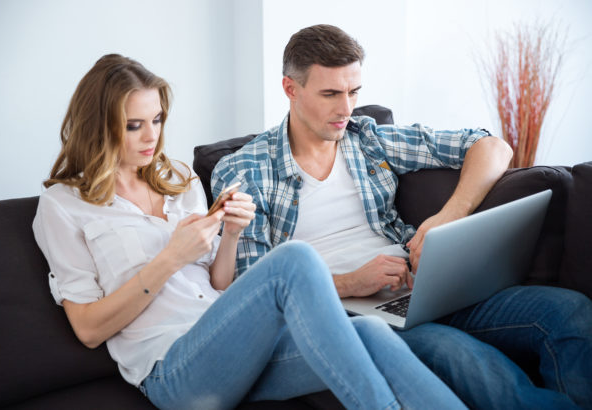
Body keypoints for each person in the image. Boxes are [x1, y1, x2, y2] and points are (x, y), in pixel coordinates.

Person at [32, 53, 466, 410]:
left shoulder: (178, 180)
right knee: (295, 259)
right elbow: (88, 330)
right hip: (174, 371)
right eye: (134, 125)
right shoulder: (64, 205)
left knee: (372, 333)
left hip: (234, 345)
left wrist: (233, 234)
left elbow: (218, 284)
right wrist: (170, 258)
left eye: (158, 119)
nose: (152, 137)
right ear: (98, 124)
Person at [212, 24, 592, 409]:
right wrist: (350, 283)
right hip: (344, 313)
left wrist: (448, 216)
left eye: (353, 91)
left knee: (569, 312)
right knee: (459, 355)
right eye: (330, 93)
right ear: (290, 89)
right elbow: (250, 284)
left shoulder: (367, 138)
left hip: (420, 284)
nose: (346, 108)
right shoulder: (245, 170)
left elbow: (491, 146)